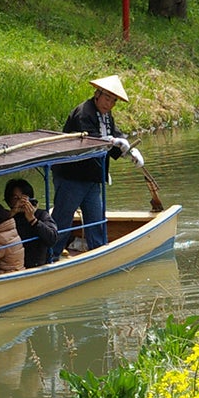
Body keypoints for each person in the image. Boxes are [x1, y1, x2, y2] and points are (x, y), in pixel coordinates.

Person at [50, 75, 144, 260]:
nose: (109, 104)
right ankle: (51, 256)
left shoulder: (106, 116)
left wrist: (129, 152)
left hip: (93, 177)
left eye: (113, 100)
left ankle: (99, 254)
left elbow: (114, 136)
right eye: (106, 98)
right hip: (72, 176)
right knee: (63, 218)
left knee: (96, 218)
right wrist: (114, 142)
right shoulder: (83, 113)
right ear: (97, 94)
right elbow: (92, 140)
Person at [3, 177, 57, 268]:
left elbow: (52, 239)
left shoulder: (41, 215)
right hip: (12, 265)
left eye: (24, 198)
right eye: (16, 198)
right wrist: (12, 213)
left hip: (36, 263)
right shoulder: (6, 217)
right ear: (9, 201)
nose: (21, 202)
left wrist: (33, 220)